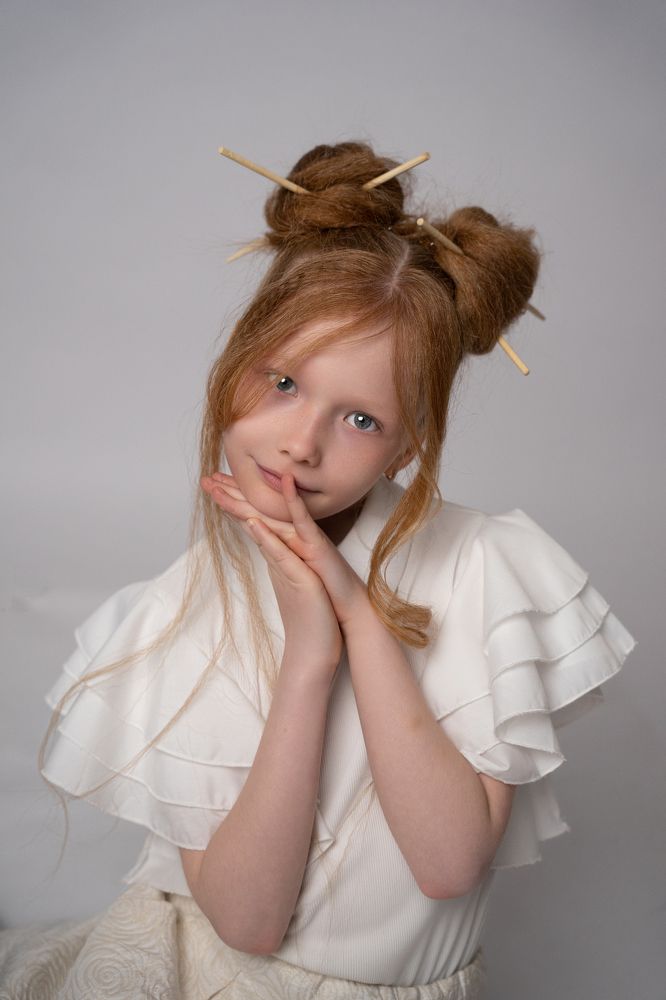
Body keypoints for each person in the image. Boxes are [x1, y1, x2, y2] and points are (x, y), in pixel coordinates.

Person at [0, 141, 636, 999]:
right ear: (237, 362)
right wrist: (309, 656)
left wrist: (358, 620)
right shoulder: (181, 610)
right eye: (284, 382)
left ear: (408, 445)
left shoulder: (487, 569)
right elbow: (249, 925)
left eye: (361, 419)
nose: (302, 443)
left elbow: (448, 864)